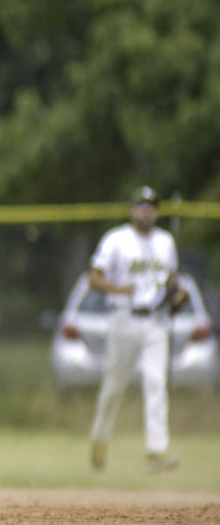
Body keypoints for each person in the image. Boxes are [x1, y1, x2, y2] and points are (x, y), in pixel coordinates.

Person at [87, 185, 186, 473]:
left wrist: (178, 295)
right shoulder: (117, 240)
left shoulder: (166, 242)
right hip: (124, 318)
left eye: (151, 207)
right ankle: (100, 437)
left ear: (156, 213)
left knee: (156, 382)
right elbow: (93, 278)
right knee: (114, 386)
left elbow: (170, 282)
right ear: (132, 211)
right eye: (141, 206)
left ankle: (156, 450)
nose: (146, 212)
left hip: (156, 321)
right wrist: (118, 288)